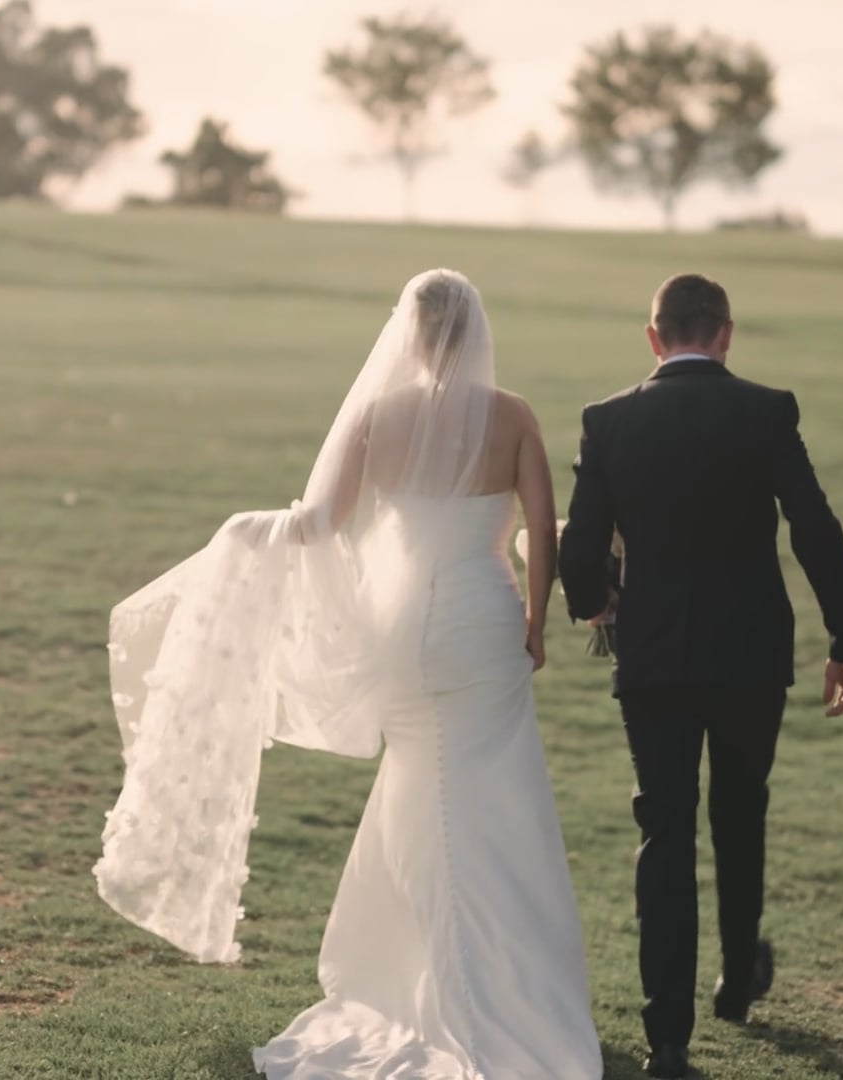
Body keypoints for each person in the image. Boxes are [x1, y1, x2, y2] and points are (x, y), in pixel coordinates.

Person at [97, 269, 603, 1078]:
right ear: (474, 332)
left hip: (399, 635)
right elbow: (543, 528)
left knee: (419, 796)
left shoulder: (378, 416)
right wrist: (537, 623)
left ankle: (416, 979)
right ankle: (494, 995)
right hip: (480, 627)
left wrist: (242, 533)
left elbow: (320, 524)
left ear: (411, 332)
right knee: (496, 801)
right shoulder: (512, 417)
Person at [560, 272, 843, 1079]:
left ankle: (668, 1038)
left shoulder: (609, 421)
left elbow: (579, 553)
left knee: (664, 831)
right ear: (726, 333)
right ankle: (735, 979)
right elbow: (814, 527)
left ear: (653, 338)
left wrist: (598, 605)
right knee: (740, 808)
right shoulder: (767, 411)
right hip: (751, 656)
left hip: (655, 657)